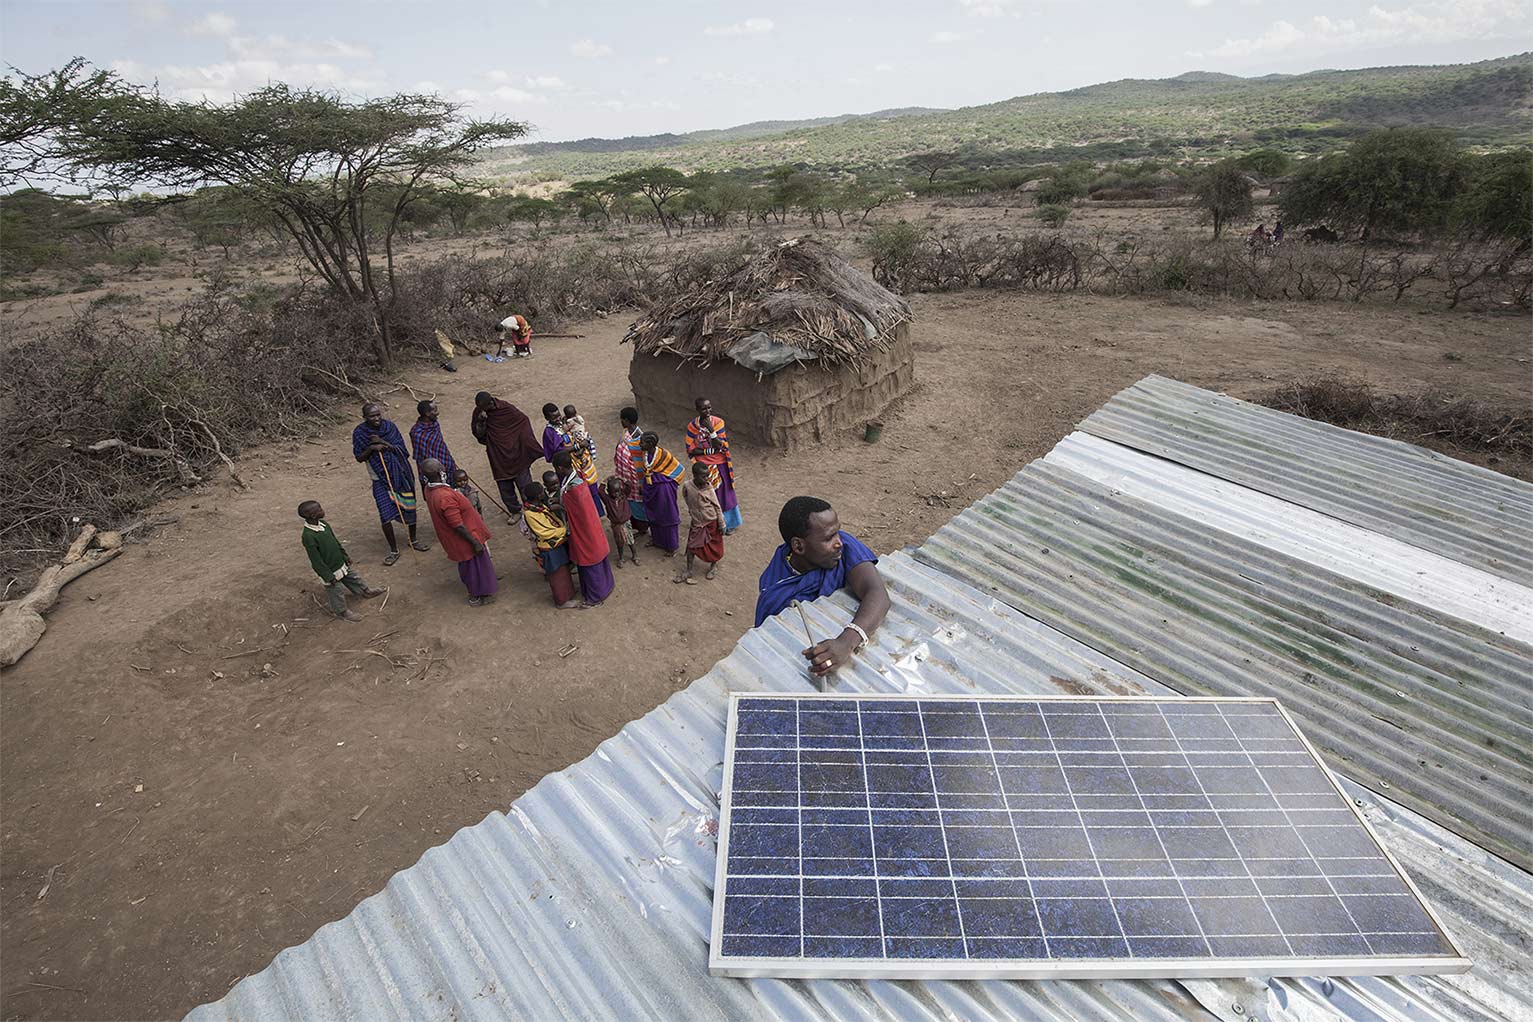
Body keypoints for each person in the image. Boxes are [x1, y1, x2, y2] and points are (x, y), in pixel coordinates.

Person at [755, 496, 891, 679]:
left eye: (838, 533)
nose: (839, 542)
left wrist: (846, 642)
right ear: (798, 546)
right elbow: (773, 646)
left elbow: (877, 594)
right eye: (829, 538)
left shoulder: (845, 550)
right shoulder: (777, 593)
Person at [352, 402, 429, 565]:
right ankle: (394, 550)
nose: (376, 418)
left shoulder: (390, 428)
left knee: (409, 506)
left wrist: (383, 442)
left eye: (378, 414)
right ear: (364, 417)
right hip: (379, 477)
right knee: (385, 513)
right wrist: (372, 448)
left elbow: (403, 451)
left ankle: (413, 540)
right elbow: (359, 457)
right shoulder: (359, 432)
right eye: (372, 416)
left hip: (400, 473)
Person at [420, 457, 498, 607]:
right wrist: (474, 542)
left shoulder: (430, 490)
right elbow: (457, 524)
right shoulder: (444, 496)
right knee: (473, 569)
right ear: (439, 473)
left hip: (461, 536)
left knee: (473, 567)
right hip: (466, 538)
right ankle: (477, 595)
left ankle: (481, 590)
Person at [298, 500, 384, 622]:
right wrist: (327, 576)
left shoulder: (324, 524)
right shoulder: (308, 536)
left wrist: (344, 556)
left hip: (339, 562)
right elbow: (315, 560)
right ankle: (342, 611)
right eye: (319, 509)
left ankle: (365, 591)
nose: (322, 510)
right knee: (335, 591)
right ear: (313, 515)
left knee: (353, 578)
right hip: (329, 571)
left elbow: (335, 542)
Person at [552, 450, 614, 608]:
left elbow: (574, 508)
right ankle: (604, 588)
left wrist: (558, 505)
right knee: (595, 558)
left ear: (559, 468)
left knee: (588, 561)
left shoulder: (575, 489)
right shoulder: (576, 478)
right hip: (590, 528)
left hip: (583, 531)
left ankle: (595, 598)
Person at [471, 391, 542, 520]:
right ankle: (515, 511)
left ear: (491, 402)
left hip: (516, 454)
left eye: (485, 407)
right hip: (497, 456)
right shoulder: (479, 414)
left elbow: (522, 420)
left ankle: (532, 510)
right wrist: (481, 422)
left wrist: (523, 442)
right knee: (505, 489)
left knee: (525, 485)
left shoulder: (505, 408)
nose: (484, 410)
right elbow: (479, 435)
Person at [686, 397, 742, 533]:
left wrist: (711, 430)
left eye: (709, 407)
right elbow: (691, 448)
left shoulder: (718, 423)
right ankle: (712, 523)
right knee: (709, 495)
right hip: (704, 466)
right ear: (697, 410)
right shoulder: (692, 426)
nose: (707, 411)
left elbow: (720, 445)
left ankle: (728, 524)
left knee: (725, 494)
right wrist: (708, 451)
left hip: (720, 463)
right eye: (704, 408)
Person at [542, 403, 606, 517]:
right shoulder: (549, 433)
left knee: (591, 487)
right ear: (547, 418)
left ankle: (597, 514)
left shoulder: (564, 422)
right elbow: (558, 452)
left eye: (558, 415)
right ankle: (586, 515)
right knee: (578, 492)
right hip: (568, 466)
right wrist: (578, 447)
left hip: (582, 462)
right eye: (554, 417)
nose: (558, 419)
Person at [521, 482, 578, 608]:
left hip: (557, 543)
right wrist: (564, 530)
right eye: (542, 492)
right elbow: (544, 533)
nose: (544, 493)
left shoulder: (538, 507)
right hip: (549, 547)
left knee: (563, 570)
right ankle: (562, 601)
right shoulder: (530, 514)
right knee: (556, 575)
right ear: (537, 496)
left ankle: (569, 593)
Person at [676, 461, 724, 584]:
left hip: (711, 522)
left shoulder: (709, 489)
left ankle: (713, 566)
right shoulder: (687, 486)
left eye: (707, 476)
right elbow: (686, 497)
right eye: (703, 476)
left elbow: (717, 507)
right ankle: (689, 570)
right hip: (697, 523)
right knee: (692, 546)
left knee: (714, 546)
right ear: (695, 475)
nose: (706, 479)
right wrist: (693, 511)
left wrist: (721, 524)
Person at [637, 431, 684, 556]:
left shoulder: (664, 455)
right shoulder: (645, 454)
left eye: (642, 442)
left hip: (664, 490)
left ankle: (671, 546)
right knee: (654, 514)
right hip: (651, 488)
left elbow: (678, 470)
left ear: (650, 443)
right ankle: (657, 540)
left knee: (667, 516)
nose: (639, 444)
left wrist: (662, 481)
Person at [614, 407, 649, 537]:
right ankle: (640, 527)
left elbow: (642, 461)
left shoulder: (636, 439)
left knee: (637, 505)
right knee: (633, 504)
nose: (621, 422)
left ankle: (643, 528)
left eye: (622, 419)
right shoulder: (630, 434)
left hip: (635, 480)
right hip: (631, 478)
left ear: (627, 421)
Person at [409, 399, 458, 482]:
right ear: (427, 413)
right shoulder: (416, 433)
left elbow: (441, 446)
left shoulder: (435, 424)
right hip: (431, 473)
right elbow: (423, 457)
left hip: (446, 463)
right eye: (435, 410)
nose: (437, 412)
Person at [604, 476, 639, 567]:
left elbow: (629, 485)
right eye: (614, 492)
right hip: (616, 525)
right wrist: (605, 481)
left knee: (630, 540)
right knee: (619, 543)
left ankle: (634, 555)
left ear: (621, 489)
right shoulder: (607, 500)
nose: (616, 494)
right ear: (608, 492)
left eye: (618, 491)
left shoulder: (623, 495)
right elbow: (600, 491)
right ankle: (621, 558)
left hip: (626, 523)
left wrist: (622, 479)